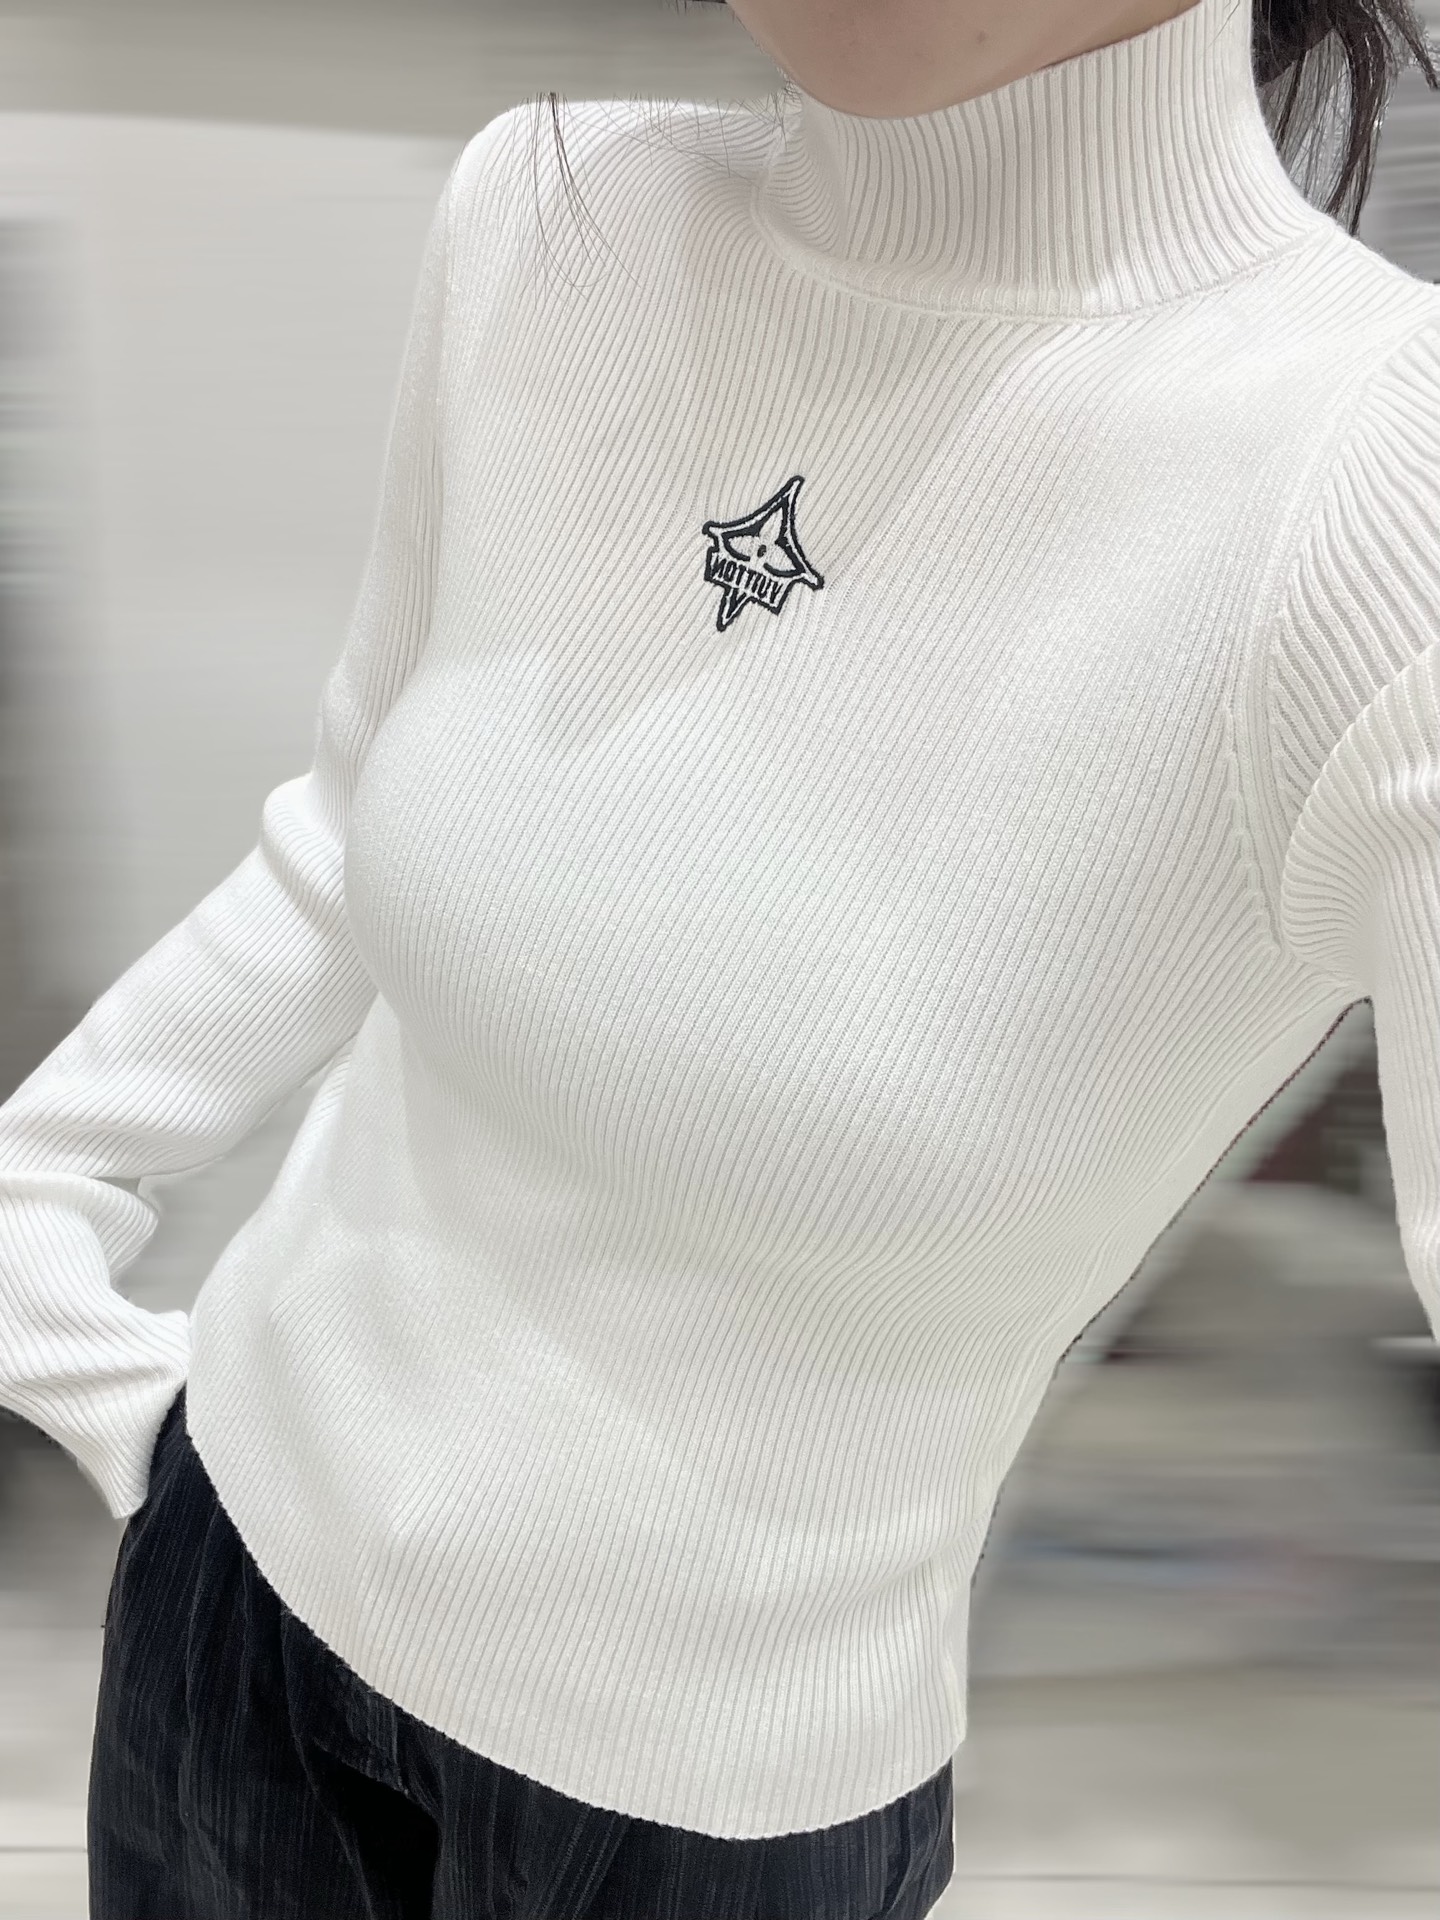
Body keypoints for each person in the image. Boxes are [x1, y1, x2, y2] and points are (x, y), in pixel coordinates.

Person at [2, 0, 1439, 1911]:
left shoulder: (1380, 490)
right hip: (225, 1611)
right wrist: (40, 1210)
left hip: (704, 1819)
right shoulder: (551, 206)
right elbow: (349, 831)